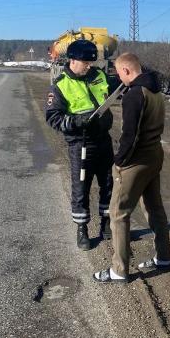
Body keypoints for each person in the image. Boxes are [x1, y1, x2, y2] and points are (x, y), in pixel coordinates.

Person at [93, 53, 170, 283]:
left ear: (126, 70)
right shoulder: (156, 90)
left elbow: (130, 136)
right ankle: (164, 257)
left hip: (136, 161)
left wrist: (119, 162)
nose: (118, 78)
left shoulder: (135, 95)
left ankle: (119, 270)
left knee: (118, 213)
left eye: (118, 73)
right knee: (154, 207)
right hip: (155, 156)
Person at [45, 39, 117, 251]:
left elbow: (114, 90)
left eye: (91, 63)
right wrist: (76, 122)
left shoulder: (99, 75)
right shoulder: (60, 85)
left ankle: (106, 224)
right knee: (81, 188)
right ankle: (82, 229)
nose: (89, 66)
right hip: (81, 145)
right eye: (85, 62)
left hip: (103, 140)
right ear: (73, 60)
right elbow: (53, 118)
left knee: (108, 184)